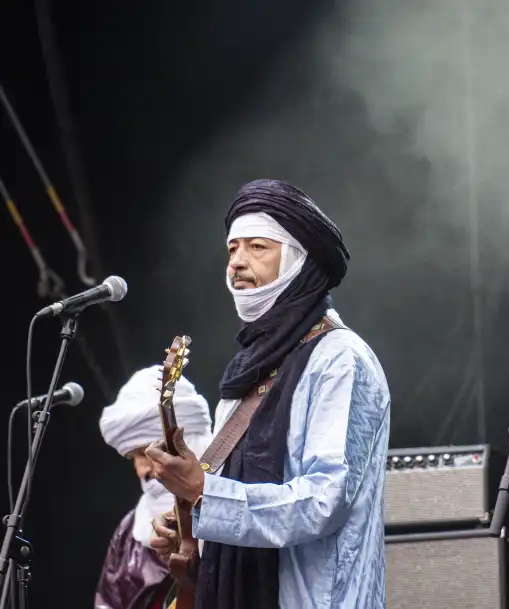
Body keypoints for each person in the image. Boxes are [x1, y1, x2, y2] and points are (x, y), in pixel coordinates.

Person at [145, 179, 391, 609]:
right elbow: (233, 508)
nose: (237, 262)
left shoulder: (340, 359)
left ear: (298, 260)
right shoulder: (251, 368)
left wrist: (204, 493)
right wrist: (189, 531)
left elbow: (323, 501)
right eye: (232, 249)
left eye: (257, 247)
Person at [95, 367, 213, 609]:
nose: (141, 470)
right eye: (133, 458)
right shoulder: (129, 531)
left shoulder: (239, 508)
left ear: (185, 442)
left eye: (146, 452)